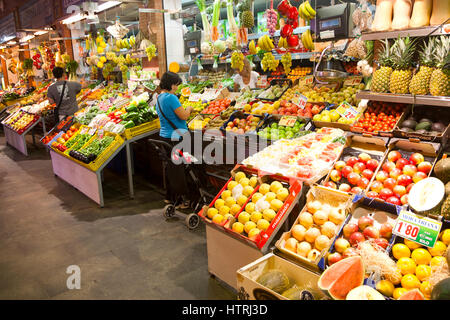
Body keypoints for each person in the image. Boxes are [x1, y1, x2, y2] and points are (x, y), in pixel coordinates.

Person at [155, 71, 193, 207]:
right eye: (176, 85)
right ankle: (185, 199)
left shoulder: (159, 98)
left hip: (164, 137)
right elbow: (183, 116)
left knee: (171, 168)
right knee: (179, 169)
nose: (177, 88)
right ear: (171, 84)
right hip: (176, 138)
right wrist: (189, 108)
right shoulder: (171, 98)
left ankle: (169, 197)